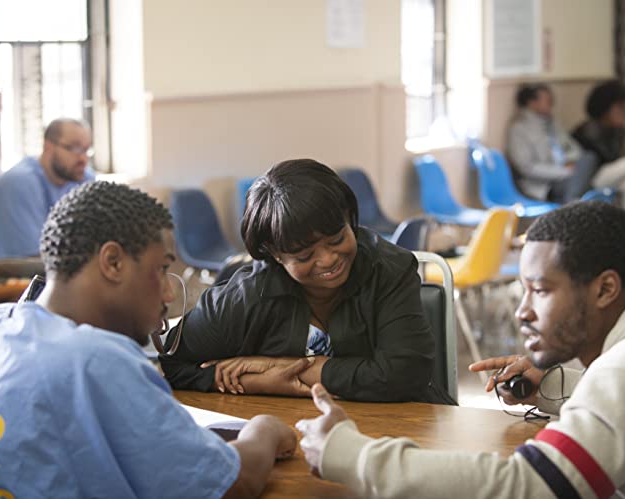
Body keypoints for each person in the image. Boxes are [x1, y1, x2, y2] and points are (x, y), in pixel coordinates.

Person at [296, 201, 625, 498]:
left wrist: (352, 455)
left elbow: (530, 486)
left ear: (605, 289)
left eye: (541, 290)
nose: (523, 311)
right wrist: (559, 385)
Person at [0, 181, 297, 498]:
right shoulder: (97, 359)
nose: (169, 295)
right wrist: (264, 430)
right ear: (113, 262)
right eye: (161, 269)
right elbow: (236, 483)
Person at [160, 159, 453, 404]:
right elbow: (171, 364)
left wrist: (295, 368)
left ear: (350, 219)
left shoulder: (389, 269)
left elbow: (405, 375)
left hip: (401, 428)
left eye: (337, 238)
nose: (327, 260)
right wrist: (259, 382)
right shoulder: (247, 295)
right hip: (293, 433)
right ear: (274, 255)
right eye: (303, 255)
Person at [0, 118, 95, 286]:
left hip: (45, 263)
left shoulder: (84, 179)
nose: (83, 159)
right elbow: (25, 260)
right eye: (74, 148)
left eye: (86, 150)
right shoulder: (19, 183)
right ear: (48, 146)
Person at [507, 83, 599, 203]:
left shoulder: (552, 123)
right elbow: (527, 168)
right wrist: (563, 171)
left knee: (589, 158)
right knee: (587, 183)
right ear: (532, 103)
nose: (552, 103)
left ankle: (572, 203)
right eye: (547, 100)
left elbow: (572, 147)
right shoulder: (519, 130)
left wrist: (571, 161)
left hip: (569, 174)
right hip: (544, 185)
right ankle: (572, 204)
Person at [572, 80, 625, 215]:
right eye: (618, 107)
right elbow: (605, 158)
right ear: (605, 109)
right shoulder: (589, 130)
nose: (622, 112)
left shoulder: (616, 130)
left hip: (608, 177)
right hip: (590, 179)